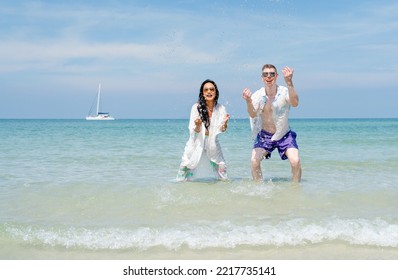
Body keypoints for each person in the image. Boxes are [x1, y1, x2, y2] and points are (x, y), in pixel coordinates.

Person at [242, 64, 302, 182]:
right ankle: (258, 189)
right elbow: (253, 114)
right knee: (254, 161)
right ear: (262, 77)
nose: (269, 77)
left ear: (277, 76)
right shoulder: (258, 95)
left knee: (295, 161)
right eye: (265, 74)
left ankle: (296, 190)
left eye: (272, 74)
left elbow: (295, 103)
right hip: (265, 135)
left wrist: (289, 82)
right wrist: (248, 101)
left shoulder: (284, 91)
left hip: (284, 134)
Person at [177, 79, 230, 182]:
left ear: (216, 92)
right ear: (202, 93)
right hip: (196, 142)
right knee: (185, 168)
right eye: (206, 90)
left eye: (211, 89)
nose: (209, 92)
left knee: (222, 169)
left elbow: (222, 130)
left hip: (212, 143)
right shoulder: (196, 107)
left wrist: (225, 124)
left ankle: (224, 193)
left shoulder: (221, 108)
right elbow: (195, 130)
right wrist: (197, 125)